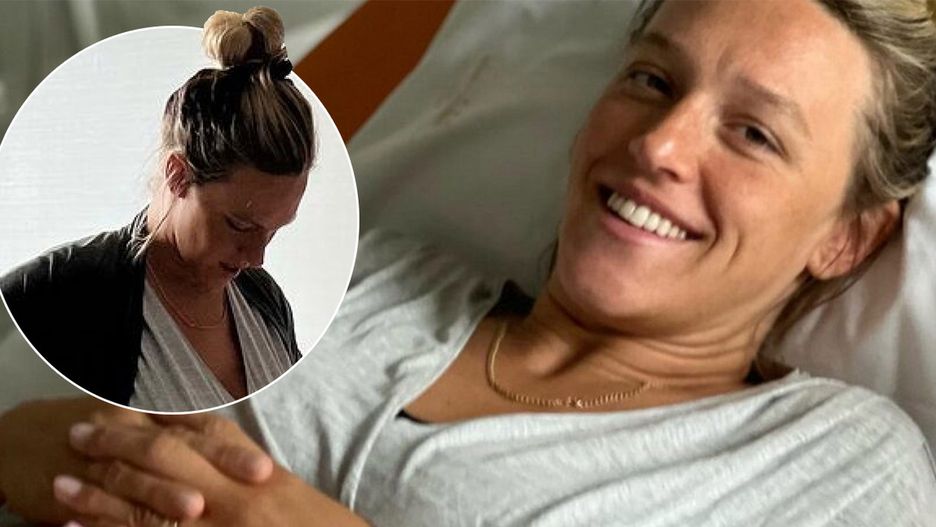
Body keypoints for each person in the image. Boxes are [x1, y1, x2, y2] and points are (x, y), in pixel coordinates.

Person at [2, 0, 936, 525]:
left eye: (755, 133)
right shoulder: (364, 277)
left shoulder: (838, 462)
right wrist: (51, 451)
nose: (659, 143)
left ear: (848, 237)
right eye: (652, 80)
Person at [0, 7, 314, 411]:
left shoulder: (264, 298)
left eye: (274, 230)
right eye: (239, 225)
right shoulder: (50, 297)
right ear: (178, 175)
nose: (256, 258)